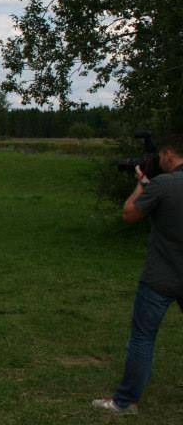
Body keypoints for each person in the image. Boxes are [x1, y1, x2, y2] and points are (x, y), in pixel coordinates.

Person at [92, 133, 183, 415]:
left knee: (143, 337)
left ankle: (125, 401)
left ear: (169, 153)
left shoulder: (163, 185)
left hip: (161, 277)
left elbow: (130, 214)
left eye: (160, 157)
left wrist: (142, 184)